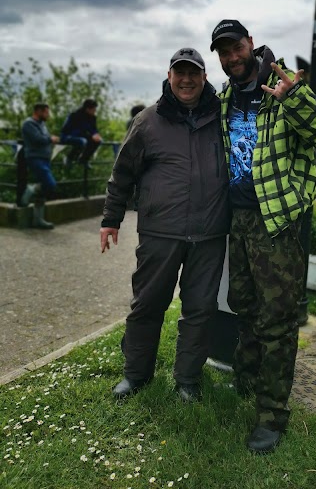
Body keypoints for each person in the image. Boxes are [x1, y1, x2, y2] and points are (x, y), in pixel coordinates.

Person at [210, 19, 316, 453]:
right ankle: (245, 380)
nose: (231, 58)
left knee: (278, 319)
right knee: (244, 305)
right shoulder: (226, 96)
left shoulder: (282, 83)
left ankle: (272, 413)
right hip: (240, 220)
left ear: (251, 43)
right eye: (223, 53)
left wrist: (296, 99)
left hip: (276, 222)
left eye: (236, 48)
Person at [100, 47, 229, 403]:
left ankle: (187, 380)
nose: (186, 80)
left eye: (194, 73)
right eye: (180, 73)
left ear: (204, 77)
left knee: (200, 310)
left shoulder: (224, 116)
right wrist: (110, 220)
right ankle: (135, 375)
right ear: (169, 76)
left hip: (210, 234)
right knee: (147, 306)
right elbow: (122, 173)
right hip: (160, 232)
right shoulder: (147, 121)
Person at [20, 102, 59, 229]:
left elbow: (44, 138)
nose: (48, 115)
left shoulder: (42, 124)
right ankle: (31, 189)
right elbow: (37, 139)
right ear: (38, 111)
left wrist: (49, 140)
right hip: (35, 158)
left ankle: (38, 220)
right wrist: (51, 139)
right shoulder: (28, 123)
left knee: (43, 192)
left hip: (45, 159)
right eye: (46, 112)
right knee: (50, 184)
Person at [60, 98, 102, 167]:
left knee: (99, 141)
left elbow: (94, 129)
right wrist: (91, 136)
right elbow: (77, 130)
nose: (95, 111)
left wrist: (96, 134)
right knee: (82, 141)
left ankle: (84, 159)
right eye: (93, 109)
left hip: (83, 135)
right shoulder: (75, 115)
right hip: (69, 135)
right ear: (87, 109)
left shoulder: (93, 117)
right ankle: (69, 158)